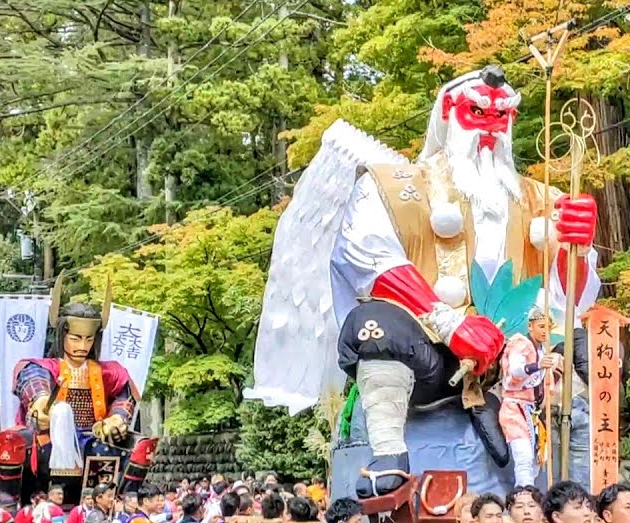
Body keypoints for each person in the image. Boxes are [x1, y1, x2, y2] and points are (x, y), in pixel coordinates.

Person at [250, 64, 601, 493]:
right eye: (478, 113)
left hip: (516, 369)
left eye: (500, 117)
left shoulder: (542, 199)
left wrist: (577, 249)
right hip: (430, 359)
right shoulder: (395, 188)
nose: (491, 128)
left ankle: (573, 480)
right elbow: (371, 261)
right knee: (372, 326)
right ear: (449, 114)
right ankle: (390, 455)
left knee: (588, 348)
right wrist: (451, 324)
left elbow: (569, 303)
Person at [1, 275, 140, 506]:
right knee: (11, 439)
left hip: (93, 437)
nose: (82, 346)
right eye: (75, 338)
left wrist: (117, 418)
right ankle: (8, 505)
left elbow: (123, 396)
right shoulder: (45, 366)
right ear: (62, 335)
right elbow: (33, 380)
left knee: (139, 444)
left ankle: (126, 499)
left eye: (88, 339)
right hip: (51, 439)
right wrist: (40, 404)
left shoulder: (109, 371)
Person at [498, 307, 561, 487]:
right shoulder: (520, 343)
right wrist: (537, 366)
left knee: (534, 461)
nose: (544, 331)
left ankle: (528, 494)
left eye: (548, 328)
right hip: (514, 408)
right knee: (524, 457)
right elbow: (516, 370)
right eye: (541, 326)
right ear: (530, 326)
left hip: (532, 411)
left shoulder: (542, 350)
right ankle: (523, 497)